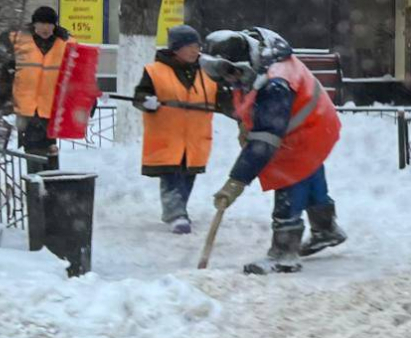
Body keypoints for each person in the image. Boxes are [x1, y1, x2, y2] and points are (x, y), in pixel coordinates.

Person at [200, 27, 346, 275]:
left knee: (289, 174)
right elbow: (246, 100)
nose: (228, 80)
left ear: (243, 63)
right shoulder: (258, 59)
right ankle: (326, 229)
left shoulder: (276, 84)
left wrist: (236, 181)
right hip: (316, 121)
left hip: (308, 128)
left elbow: (264, 141)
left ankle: (284, 253)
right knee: (308, 171)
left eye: (232, 73)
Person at [133, 25, 228, 235]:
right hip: (166, 135)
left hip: (196, 138)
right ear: (176, 49)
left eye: (197, 46)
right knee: (171, 176)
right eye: (190, 47)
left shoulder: (207, 72)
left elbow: (222, 99)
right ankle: (175, 214)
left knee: (187, 176)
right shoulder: (154, 71)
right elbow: (140, 95)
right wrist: (146, 102)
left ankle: (179, 209)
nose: (195, 51)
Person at [0, 6, 73, 171]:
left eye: (49, 24)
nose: (45, 28)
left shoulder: (65, 44)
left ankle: (47, 188)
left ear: (55, 25)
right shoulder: (19, 41)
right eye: (41, 23)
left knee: (50, 149)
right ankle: (39, 188)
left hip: (51, 107)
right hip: (27, 108)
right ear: (34, 23)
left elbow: (77, 74)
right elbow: (2, 73)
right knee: (34, 149)